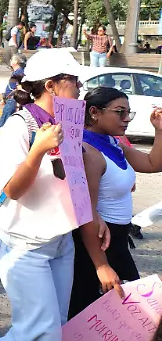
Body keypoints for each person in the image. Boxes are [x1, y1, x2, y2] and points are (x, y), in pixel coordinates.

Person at [0, 48, 109, 340]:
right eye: (75, 82)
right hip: (24, 244)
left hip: (60, 242)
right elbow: (12, 190)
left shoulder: (68, 125)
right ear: (51, 85)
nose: (81, 90)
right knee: (40, 330)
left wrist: (93, 215)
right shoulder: (19, 126)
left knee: (54, 326)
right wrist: (38, 150)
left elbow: (74, 182)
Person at [68, 87, 162, 318]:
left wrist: (159, 131)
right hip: (97, 245)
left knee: (127, 318)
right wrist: (101, 266)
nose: (126, 119)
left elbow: (152, 163)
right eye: (120, 112)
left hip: (118, 242)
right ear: (94, 112)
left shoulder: (112, 144)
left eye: (129, 112)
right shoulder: (88, 151)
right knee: (92, 318)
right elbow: (85, 212)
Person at [0, 53, 27, 131]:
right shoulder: (17, 72)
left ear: (16, 62)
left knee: (2, 124)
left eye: (12, 59)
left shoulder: (20, 73)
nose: (10, 61)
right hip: (11, 100)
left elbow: (21, 88)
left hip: (13, 101)